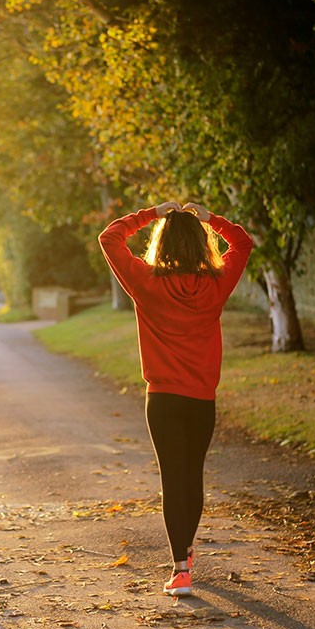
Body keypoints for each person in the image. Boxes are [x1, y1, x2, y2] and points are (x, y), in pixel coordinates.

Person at [98, 201, 253, 596]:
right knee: (192, 475)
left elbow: (109, 237)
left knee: (173, 479)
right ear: (202, 245)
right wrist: (210, 219)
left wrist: (152, 213)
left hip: (163, 400)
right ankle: (185, 550)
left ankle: (180, 568)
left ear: (161, 244)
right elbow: (243, 242)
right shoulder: (216, 284)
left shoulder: (146, 282)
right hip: (201, 400)